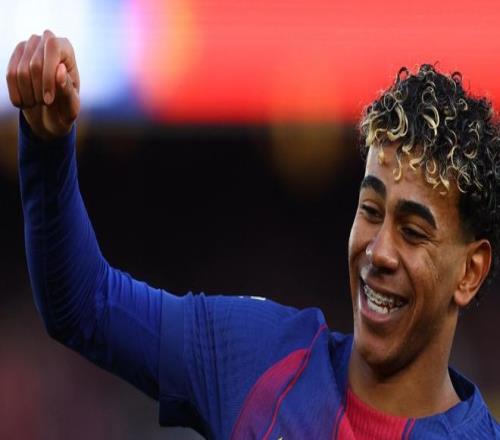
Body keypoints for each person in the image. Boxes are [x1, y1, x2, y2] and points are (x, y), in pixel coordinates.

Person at [7, 30, 500, 439]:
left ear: (470, 271)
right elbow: (85, 304)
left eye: (413, 232)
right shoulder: (260, 358)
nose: (379, 251)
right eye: (370, 211)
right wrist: (48, 144)